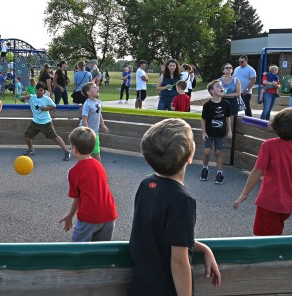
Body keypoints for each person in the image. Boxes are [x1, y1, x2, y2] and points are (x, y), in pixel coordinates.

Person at [129, 118, 221, 295]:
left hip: (140, 287)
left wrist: (203, 248)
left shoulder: (147, 185)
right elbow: (179, 262)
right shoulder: (182, 201)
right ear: (190, 156)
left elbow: (161, 235)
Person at [233, 107, 292, 236]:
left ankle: (271, 255)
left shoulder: (269, 145)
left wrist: (244, 194)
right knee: (275, 230)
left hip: (269, 203)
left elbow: (257, 171)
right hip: (289, 205)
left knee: (264, 237)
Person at [59, 126, 117, 242]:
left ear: (74, 149)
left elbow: (77, 197)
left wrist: (70, 216)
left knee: (78, 250)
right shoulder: (98, 165)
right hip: (109, 214)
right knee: (101, 251)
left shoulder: (74, 172)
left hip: (89, 217)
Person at [20, 82, 71, 161]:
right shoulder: (32, 98)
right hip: (35, 122)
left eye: (41, 90)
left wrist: (46, 108)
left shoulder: (46, 99)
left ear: (44, 91)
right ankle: (31, 149)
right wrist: (24, 97)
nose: (39, 92)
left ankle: (67, 151)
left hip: (46, 122)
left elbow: (54, 106)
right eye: (37, 90)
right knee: (27, 136)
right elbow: (21, 100)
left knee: (55, 137)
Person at [200, 80, 232, 185]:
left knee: (218, 153)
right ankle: (205, 168)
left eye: (221, 86)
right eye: (218, 86)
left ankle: (219, 173)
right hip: (209, 133)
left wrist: (229, 130)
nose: (221, 87)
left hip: (221, 134)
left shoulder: (226, 104)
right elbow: (203, 119)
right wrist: (203, 132)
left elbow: (227, 118)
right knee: (206, 152)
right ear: (212, 91)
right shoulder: (207, 105)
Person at [80, 82, 108, 162]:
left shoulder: (98, 102)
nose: (97, 88)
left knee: (95, 152)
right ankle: (97, 170)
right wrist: (88, 132)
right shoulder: (87, 104)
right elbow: (84, 120)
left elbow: (99, 114)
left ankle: (97, 170)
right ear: (88, 93)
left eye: (97, 87)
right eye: (94, 87)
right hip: (88, 133)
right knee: (91, 153)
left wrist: (103, 125)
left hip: (95, 132)